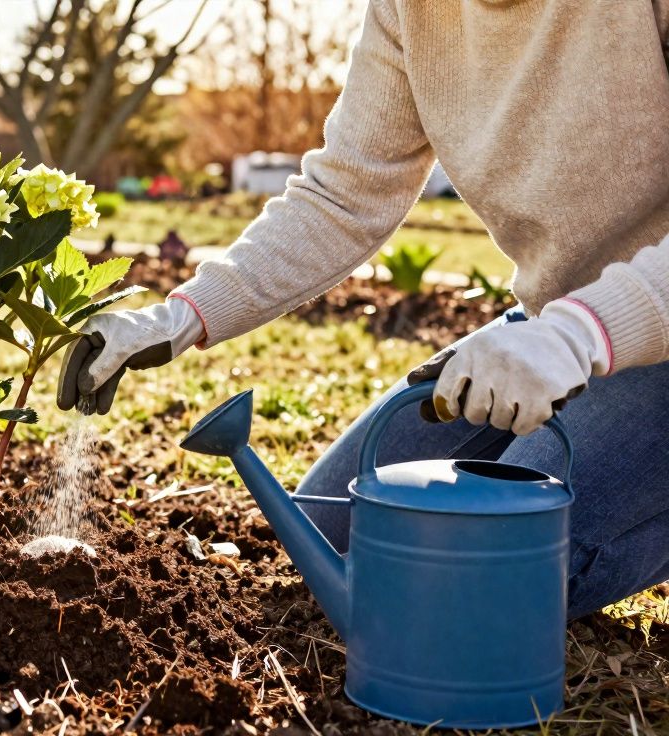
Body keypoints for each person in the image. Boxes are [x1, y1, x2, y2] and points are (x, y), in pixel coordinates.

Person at [57, 0, 669, 619]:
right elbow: (344, 195)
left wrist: (577, 334)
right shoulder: (413, 10)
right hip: (552, 332)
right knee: (340, 532)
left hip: (633, 342)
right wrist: (180, 317)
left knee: (468, 580)